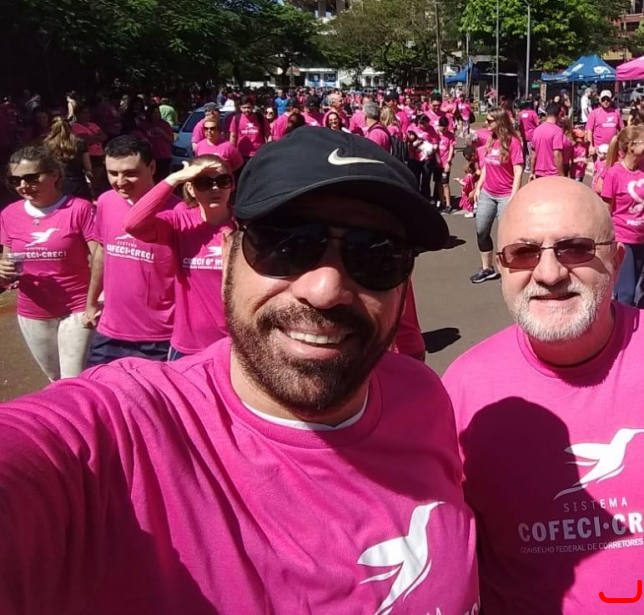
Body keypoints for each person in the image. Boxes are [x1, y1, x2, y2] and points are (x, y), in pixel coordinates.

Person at [0, 126, 479, 615]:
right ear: (228, 258)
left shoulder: (421, 397)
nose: (325, 290)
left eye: (376, 255)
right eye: (286, 243)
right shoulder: (127, 431)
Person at [442, 177, 644, 614]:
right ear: (502, 267)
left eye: (575, 249)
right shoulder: (462, 390)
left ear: (616, 261)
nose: (549, 273)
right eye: (523, 253)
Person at [123, 155, 234, 360]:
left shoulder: (244, 225)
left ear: (231, 185)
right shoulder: (180, 222)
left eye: (222, 181)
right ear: (190, 188)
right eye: (203, 182)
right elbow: (133, 224)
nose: (215, 188)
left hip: (235, 345)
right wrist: (174, 179)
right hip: (189, 345)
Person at [0, 146, 96, 380]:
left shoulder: (79, 209)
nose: (24, 185)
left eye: (32, 177)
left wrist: (98, 299)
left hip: (76, 306)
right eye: (16, 180)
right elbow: (8, 261)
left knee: (73, 379)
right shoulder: (9, 214)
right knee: (54, 377)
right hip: (33, 309)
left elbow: (99, 257)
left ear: (54, 175)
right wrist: (2, 271)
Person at [83, 136, 180, 366]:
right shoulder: (106, 201)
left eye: (130, 173)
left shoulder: (179, 210)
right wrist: (91, 302)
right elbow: (102, 254)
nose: (120, 181)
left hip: (160, 336)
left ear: (152, 167)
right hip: (110, 331)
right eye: (113, 173)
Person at [471, 108, 523, 284]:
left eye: (489, 120)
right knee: (481, 231)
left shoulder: (513, 143)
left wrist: (513, 196)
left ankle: (507, 272)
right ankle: (487, 268)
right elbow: (486, 166)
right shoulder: (491, 139)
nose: (486, 123)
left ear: (500, 122)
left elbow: (518, 171)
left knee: (505, 236)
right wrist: (479, 186)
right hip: (488, 193)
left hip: (505, 195)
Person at [601, 125, 644, 307]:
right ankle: (623, 323)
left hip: (641, 238)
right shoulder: (614, 174)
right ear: (631, 146)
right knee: (626, 293)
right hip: (623, 238)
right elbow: (605, 211)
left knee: (640, 291)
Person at [43, 116, 93, 200]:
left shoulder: (47, 144)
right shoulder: (79, 143)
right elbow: (88, 166)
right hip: (78, 183)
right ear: (69, 127)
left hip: (57, 183)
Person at [229, 96, 270, 162]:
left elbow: (268, 134)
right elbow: (233, 136)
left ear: (253, 107)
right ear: (240, 108)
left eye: (249, 107)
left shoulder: (260, 118)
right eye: (244, 108)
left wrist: (269, 148)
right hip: (242, 154)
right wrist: (232, 152)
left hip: (258, 154)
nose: (246, 110)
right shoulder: (236, 119)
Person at [142, 103, 175, 181]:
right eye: (154, 113)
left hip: (164, 157)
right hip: (150, 157)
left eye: (158, 112)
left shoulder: (165, 124)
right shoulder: (144, 125)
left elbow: (171, 140)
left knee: (163, 179)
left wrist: (161, 132)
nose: (156, 115)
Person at [530, 103, 564, 179]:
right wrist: (562, 175)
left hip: (539, 173)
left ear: (546, 114)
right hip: (553, 174)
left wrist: (532, 172)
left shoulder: (536, 130)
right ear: (559, 115)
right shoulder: (558, 131)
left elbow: (533, 154)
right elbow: (557, 154)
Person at [585, 90, 623, 156]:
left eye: (608, 99)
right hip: (599, 149)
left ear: (611, 100)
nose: (605, 101)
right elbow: (589, 130)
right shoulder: (594, 113)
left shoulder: (616, 113)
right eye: (603, 99)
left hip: (613, 148)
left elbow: (622, 128)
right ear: (600, 100)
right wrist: (590, 145)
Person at [455, 145, 479, 219]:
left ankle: (474, 210)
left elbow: (483, 175)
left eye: (468, 159)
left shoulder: (481, 159)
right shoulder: (473, 165)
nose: (468, 161)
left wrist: (474, 191)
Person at [517, 100, 540, 172]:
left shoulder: (521, 114)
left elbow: (519, 125)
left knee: (525, 151)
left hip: (524, 135)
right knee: (532, 152)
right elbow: (538, 124)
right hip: (532, 135)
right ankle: (531, 167)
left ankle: (526, 166)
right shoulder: (533, 113)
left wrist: (521, 133)